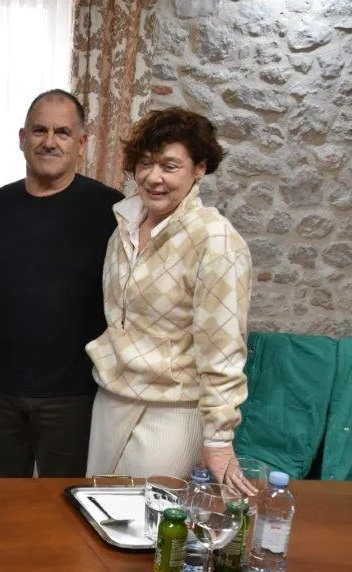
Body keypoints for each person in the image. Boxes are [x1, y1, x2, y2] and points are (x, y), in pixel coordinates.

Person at [85, 107, 255, 494]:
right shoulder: (123, 226)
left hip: (173, 409)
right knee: (95, 510)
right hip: (111, 397)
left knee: (145, 520)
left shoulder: (215, 239)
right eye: (145, 163)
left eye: (169, 165)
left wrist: (219, 438)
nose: (153, 177)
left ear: (200, 169)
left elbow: (223, 346)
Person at [0, 89, 124, 478]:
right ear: (22, 138)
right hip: (1, 388)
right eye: (40, 130)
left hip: (74, 394)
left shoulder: (111, 210)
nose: (49, 141)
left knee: (64, 502)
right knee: (0, 501)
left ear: (82, 143)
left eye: (63, 132)